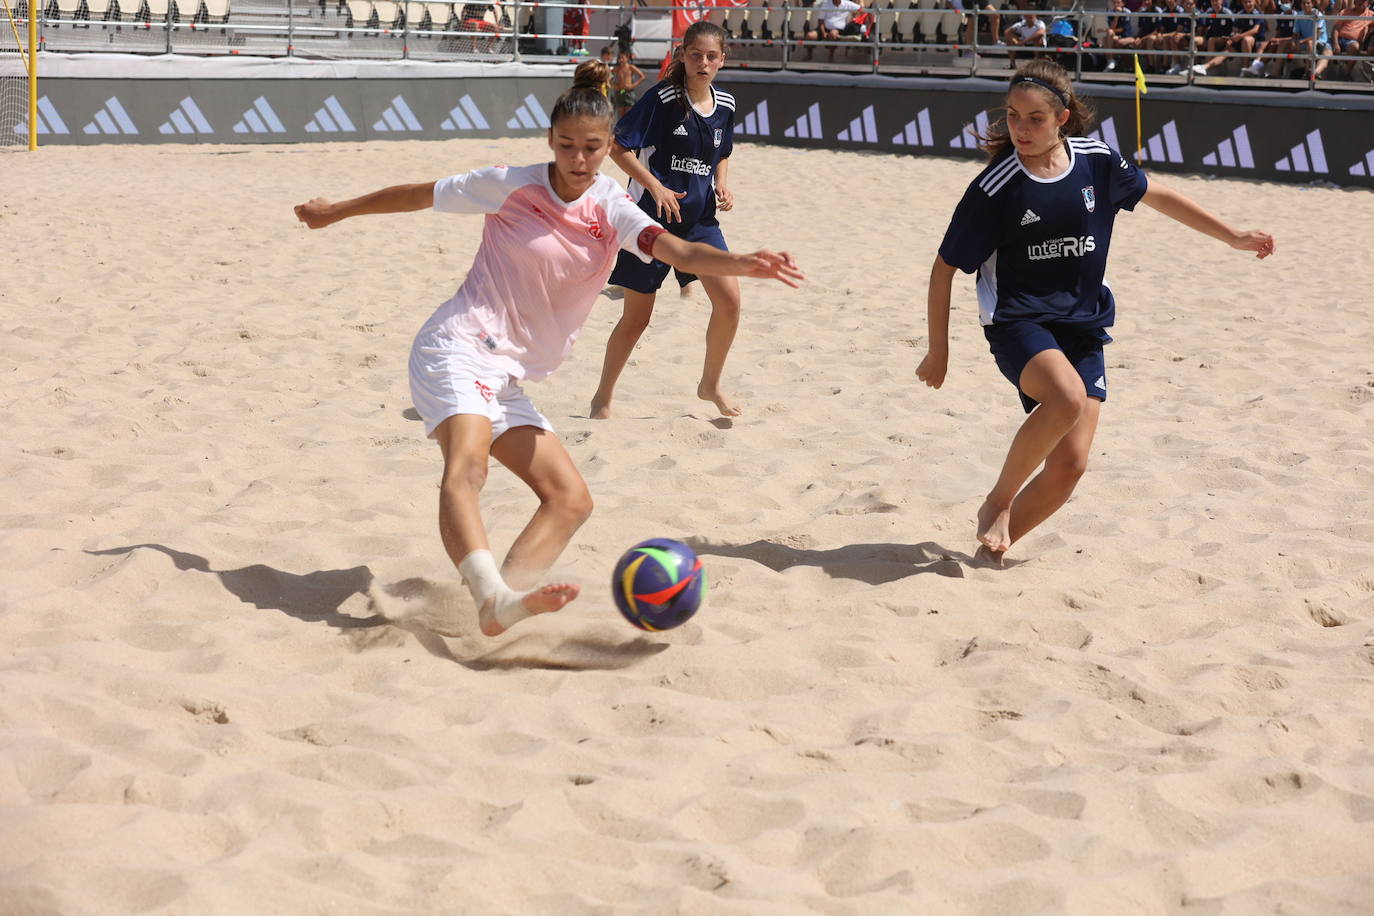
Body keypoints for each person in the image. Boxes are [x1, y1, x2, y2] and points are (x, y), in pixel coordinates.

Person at [292, 61, 802, 636]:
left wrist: (739, 263)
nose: (578, 160)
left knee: (570, 500)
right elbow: (418, 194)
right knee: (468, 465)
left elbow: (678, 252)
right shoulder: (513, 183)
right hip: (457, 346)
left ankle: (500, 600)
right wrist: (336, 212)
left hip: (507, 373)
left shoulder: (611, 206)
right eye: (566, 146)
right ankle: (491, 598)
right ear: (550, 141)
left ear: (611, 147)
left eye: (591, 148)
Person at [915, 60, 1274, 563]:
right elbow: (943, 270)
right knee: (1066, 398)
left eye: (1035, 118)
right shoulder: (994, 189)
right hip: (1020, 322)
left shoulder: (1097, 161)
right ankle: (997, 501)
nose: (1020, 128)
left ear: (1062, 118)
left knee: (1070, 466)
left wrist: (1233, 236)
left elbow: (1161, 196)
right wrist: (939, 351)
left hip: (1084, 325)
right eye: (1013, 115)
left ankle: (992, 553)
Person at [590, 21, 744, 420]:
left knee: (729, 301)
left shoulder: (725, 104)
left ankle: (710, 385)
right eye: (696, 55)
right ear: (682, 55)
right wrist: (655, 187)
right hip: (650, 223)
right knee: (637, 318)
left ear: (722, 60)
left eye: (712, 56)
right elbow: (617, 146)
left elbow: (722, 151)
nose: (703, 63)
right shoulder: (663, 97)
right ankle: (602, 396)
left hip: (700, 221)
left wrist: (722, 184)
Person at [611, 49, 646, 117]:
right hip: (620, 91)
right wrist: (614, 85)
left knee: (629, 114)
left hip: (629, 92)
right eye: (619, 58)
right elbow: (607, 76)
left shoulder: (630, 67)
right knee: (622, 114)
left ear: (627, 58)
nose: (620, 60)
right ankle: (622, 127)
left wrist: (633, 85)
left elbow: (642, 76)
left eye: (622, 58)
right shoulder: (617, 68)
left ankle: (629, 127)